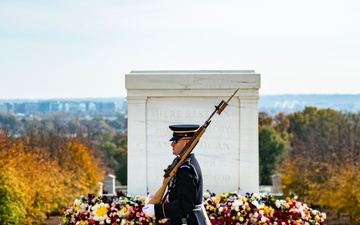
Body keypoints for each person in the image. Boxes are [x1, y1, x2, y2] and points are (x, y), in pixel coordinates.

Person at [142, 124, 206, 225]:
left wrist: (158, 210)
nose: (172, 144)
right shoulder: (184, 164)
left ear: (187, 142)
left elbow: (185, 204)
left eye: (175, 141)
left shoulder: (186, 169)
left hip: (187, 221)